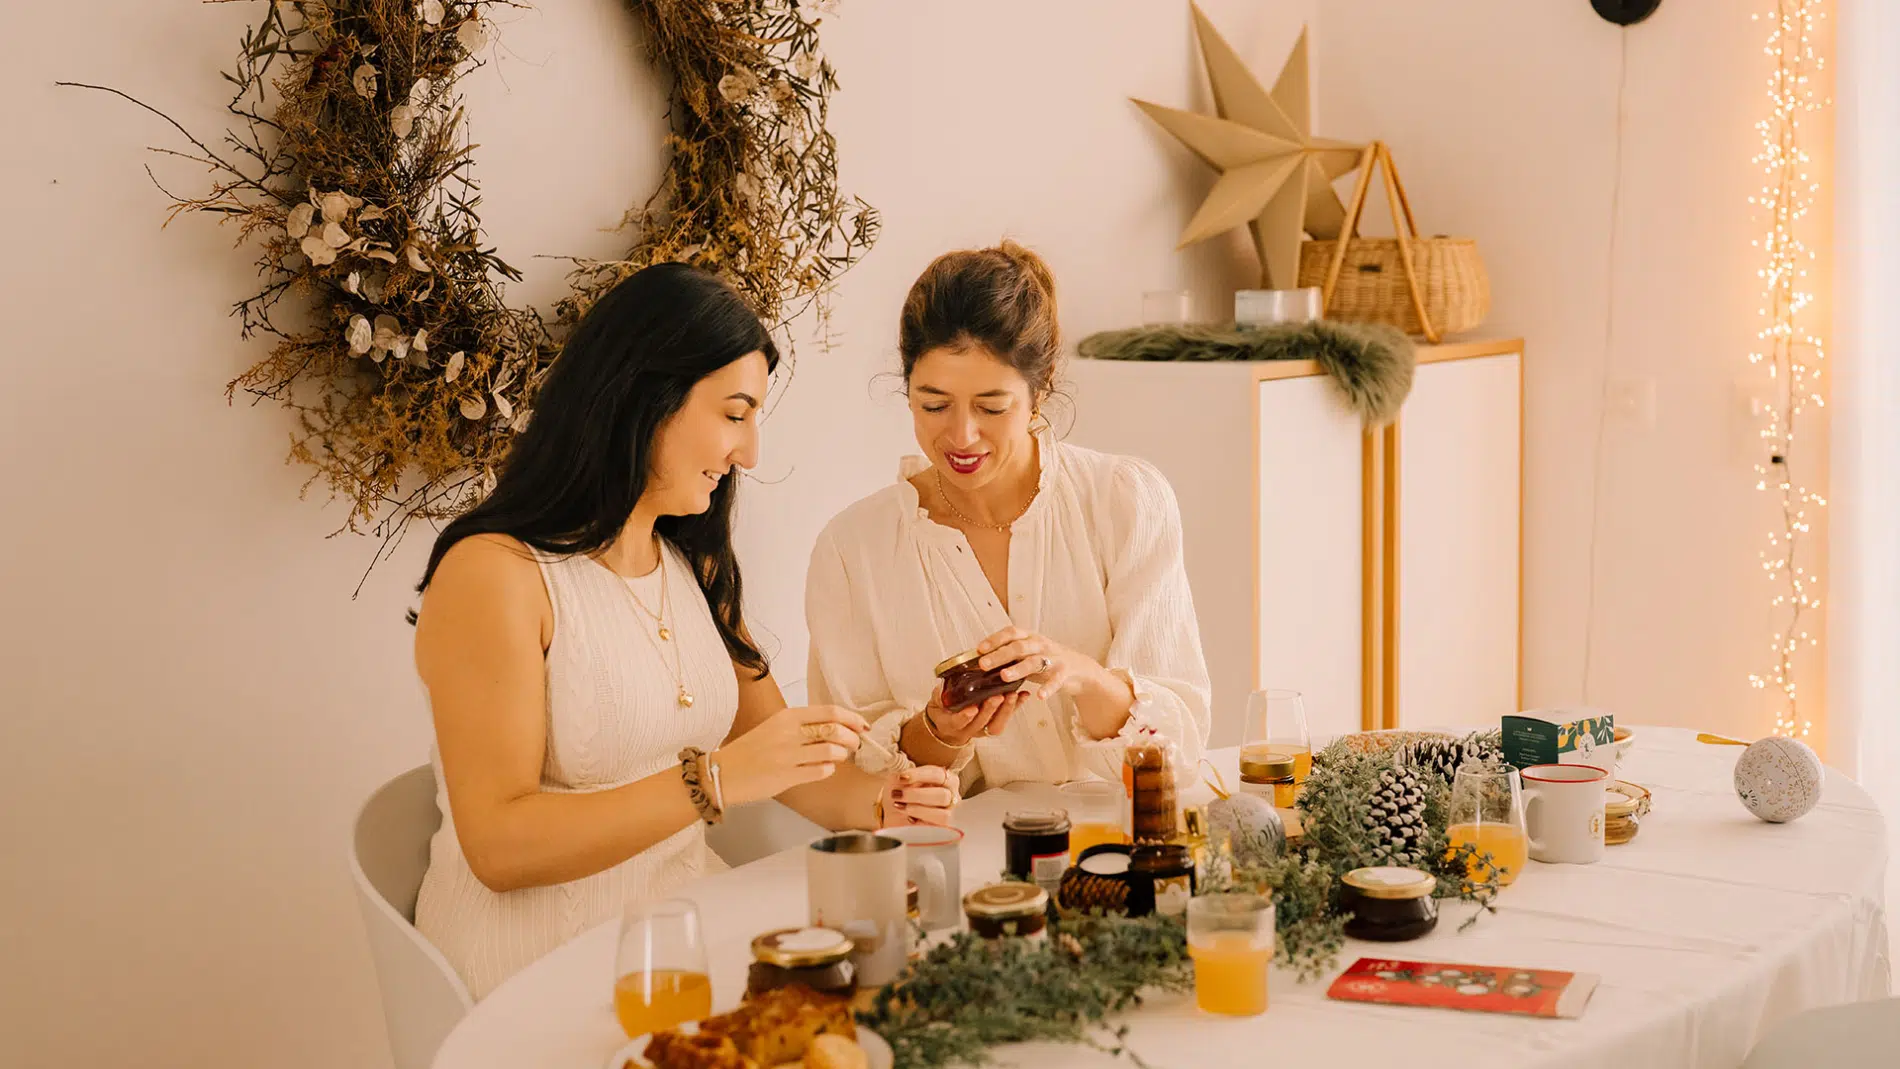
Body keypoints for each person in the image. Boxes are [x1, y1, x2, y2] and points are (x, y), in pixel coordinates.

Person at [409, 263, 954, 1000]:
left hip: (684, 943)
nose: (750, 453)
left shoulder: (692, 563)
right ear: (644, 398)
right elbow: (498, 847)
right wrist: (714, 781)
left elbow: (788, 766)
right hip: (537, 975)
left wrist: (884, 804)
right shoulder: (495, 573)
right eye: (734, 414)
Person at [804, 241, 1211, 793]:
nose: (962, 435)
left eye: (992, 407)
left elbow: (1179, 754)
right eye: (934, 405)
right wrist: (939, 731)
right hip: (963, 846)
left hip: (1119, 837)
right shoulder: (854, 550)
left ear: (1039, 392)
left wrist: (1081, 675)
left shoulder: (1125, 502)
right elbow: (852, 780)